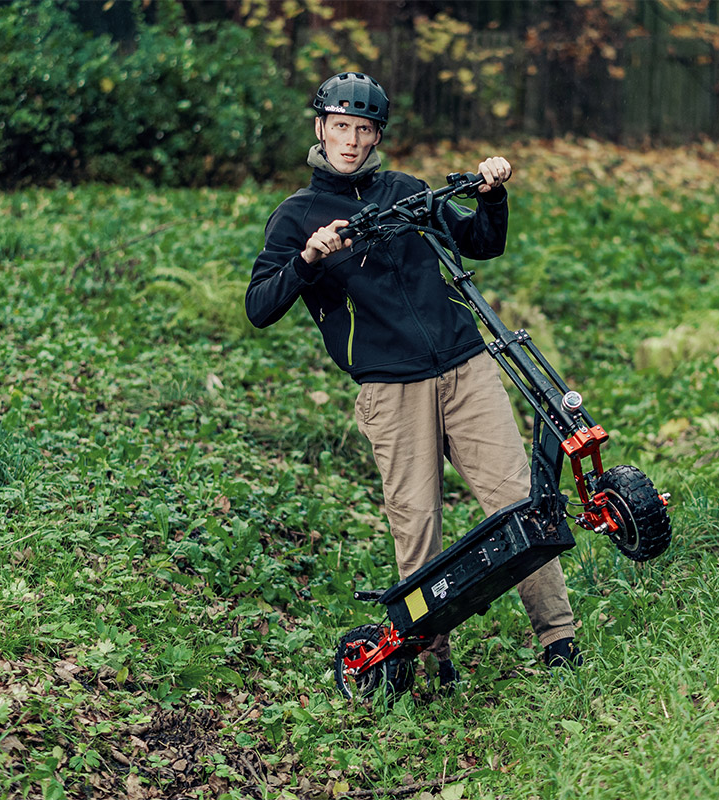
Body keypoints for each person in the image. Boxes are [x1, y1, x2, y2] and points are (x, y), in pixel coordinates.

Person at [246, 72, 581, 689]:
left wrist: (492, 192)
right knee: (416, 523)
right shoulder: (297, 216)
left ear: (377, 135)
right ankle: (433, 659)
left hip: (465, 366)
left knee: (519, 502)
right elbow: (259, 305)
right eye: (341, 127)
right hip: (390, 388)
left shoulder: (405, 190)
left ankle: (558, 639)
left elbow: (481, 242)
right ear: (320, 127)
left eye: (363, 129)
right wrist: (308, 259)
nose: (351, 140)